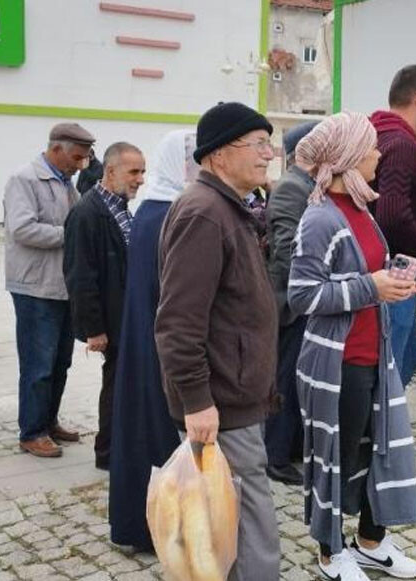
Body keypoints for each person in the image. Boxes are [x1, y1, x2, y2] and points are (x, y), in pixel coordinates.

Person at [289, 112, 416, 581]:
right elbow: (301, 295)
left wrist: (396, 283)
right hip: (337, 362)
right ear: (346, 157)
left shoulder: (362, 208)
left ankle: (371, 541)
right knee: (337, 457)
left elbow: (369, 273)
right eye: (369, 148)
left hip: (372, 356)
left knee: (376, 451)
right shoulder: (320, 217)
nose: (378, 155)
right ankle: (331, 552)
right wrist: (371, 287)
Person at [155, 101, 280, 580]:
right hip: (220, 402)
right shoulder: (205, 213)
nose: (269, 155)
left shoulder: (226, 207)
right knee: (246, 520)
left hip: (233, 392)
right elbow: (178, 322)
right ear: (220, 155)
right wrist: (197, 399)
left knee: (228, 516)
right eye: (259, 144)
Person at [109, 130, 199, 552]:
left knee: (143, 434)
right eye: (191, 161)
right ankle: (155, 528)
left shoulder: (151, 211)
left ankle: (138, 525)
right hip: (163, 346)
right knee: (160, 441)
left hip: (146, 341)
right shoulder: (170, 214)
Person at [5, 123, 95, 458]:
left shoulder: (67, 183)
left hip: (61, 285)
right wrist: (71, 234)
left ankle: (49, 420)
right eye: (76, 157)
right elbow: (23, 229)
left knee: (60, 362)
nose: (79, 164)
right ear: (56, 149)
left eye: (85, 159)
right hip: (34, 287)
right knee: (38, 364)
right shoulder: (25, 179)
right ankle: (31, 431)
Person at [64, 141, 146, 470]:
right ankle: (108, 452)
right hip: (110, 321)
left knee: (123, 384)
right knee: (115, 386)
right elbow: (80, 275)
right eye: (134, 172)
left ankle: (120, 446)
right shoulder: (87, 213)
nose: (140, 179)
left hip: (126, 316)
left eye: (143, 172)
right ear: (111, 172)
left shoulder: (120, 206)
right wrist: (93, 329)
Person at [370, 64, 416, 388]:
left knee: (407, 355)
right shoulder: (401, 142)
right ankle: (383, 435)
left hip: (381, 269)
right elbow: (393, 214)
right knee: (394, 369)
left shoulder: (378, 133)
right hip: (397, 269)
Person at [263, 120, 318, 487]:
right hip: (290, 304)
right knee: (284, 380)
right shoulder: (291, 188)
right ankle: (275, 456)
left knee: (296, 380)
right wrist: (308, 287)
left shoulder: (307, 185)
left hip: (302, 302)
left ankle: (290, 447)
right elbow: (285, 249)